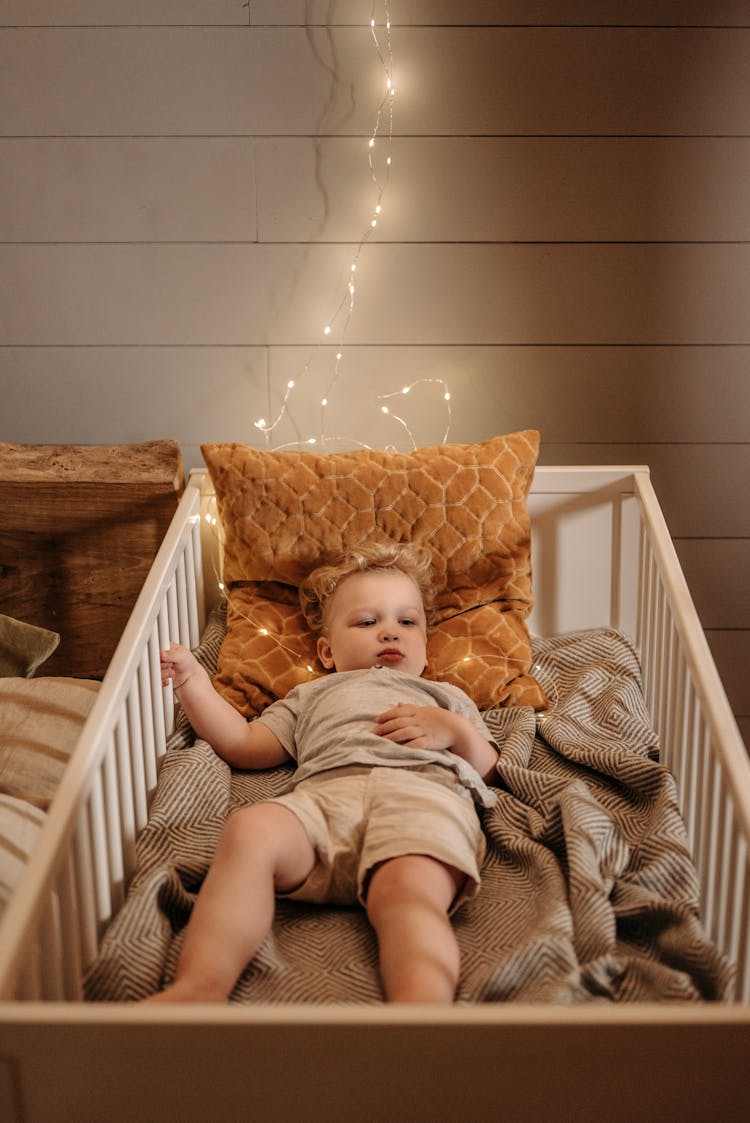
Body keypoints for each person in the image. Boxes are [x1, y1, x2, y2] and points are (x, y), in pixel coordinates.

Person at [148, 543, 500, 1004]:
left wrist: (454, 730)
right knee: (251, 827)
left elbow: (489, 770)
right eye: (368, 622)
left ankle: (421, 1010)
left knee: (408, 894)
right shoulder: (311, 694)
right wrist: (194, 684)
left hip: (421, 799)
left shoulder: (444, 696)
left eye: (407, 622)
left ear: (426, 649)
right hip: (326, 798)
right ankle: (200, 985)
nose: (390, 632)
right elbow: (243, 744)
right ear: (327, 651)